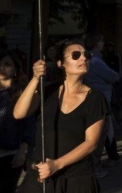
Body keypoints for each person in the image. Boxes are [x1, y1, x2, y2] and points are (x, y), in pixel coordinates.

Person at [14, 40, 106, 192]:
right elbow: (19, 113)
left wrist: (57, 164)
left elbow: (91, 143)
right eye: (76, 55)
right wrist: (35, 78)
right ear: (60, 63)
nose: (83, 58)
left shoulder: (95, 98)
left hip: (76, 178)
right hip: (40, 175)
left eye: (86, 55)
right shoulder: (47, 92)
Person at [0, 51, 32, 192]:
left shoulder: (22, 92)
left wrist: (23, 150)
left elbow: (29, 123)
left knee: (7, 189)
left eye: (7, 64)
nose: (2, 67)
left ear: (15, 69)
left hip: (13, 152)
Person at [83, 33, 120, 173]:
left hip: (99, 99)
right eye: (101, 41)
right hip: (100, 101)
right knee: (100, 134)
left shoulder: (94, 60)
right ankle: (94, 166)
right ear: (95, 43)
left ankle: (96, 163)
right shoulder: (95, 61)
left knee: (102, 133)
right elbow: (113, 76)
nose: (103, 44)